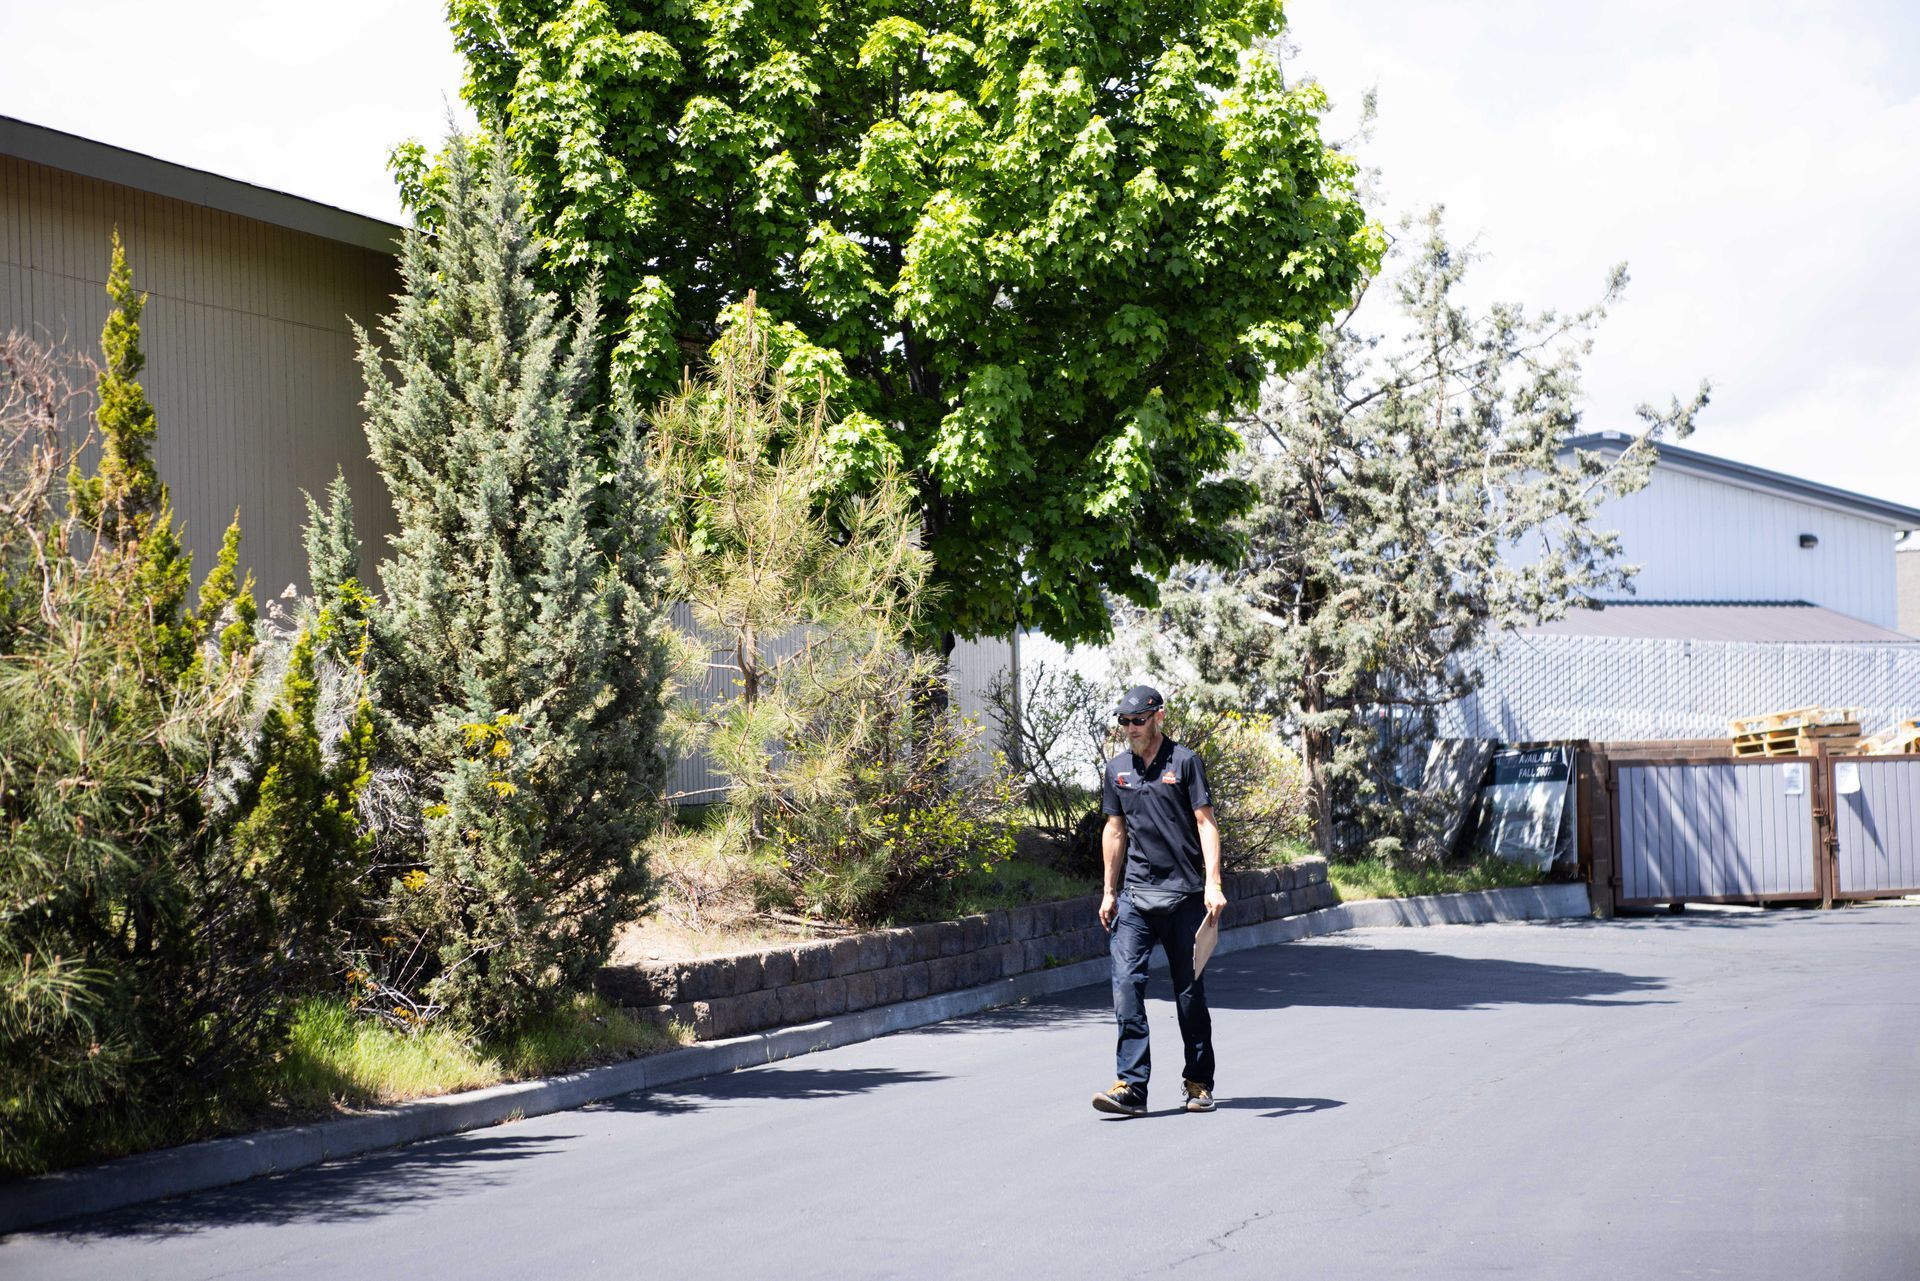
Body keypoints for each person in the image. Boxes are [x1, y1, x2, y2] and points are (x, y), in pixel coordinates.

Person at [1091, 685, 1227, 1117]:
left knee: (1189, 995)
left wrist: (1213, 883)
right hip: (1134, 897)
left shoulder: (1185, 763)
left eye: (1138, 721)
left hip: (1185, 897)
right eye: (1124, 722)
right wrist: (1109, 891)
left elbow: (1206, 824)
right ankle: (1132, 1087)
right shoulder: (1117, 770)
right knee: (1127, 987)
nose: (1130, 729)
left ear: (1158, 717)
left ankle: (1198, 1082)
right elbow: (1114, 831)